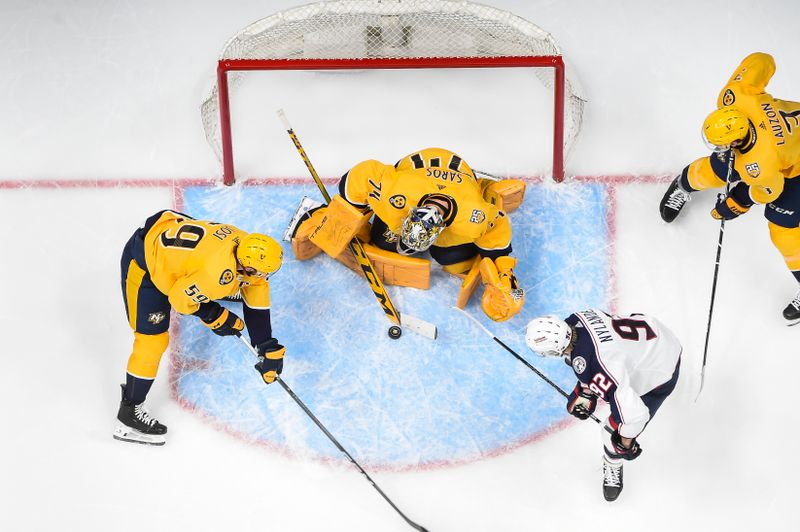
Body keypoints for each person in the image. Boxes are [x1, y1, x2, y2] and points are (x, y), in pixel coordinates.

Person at [286, 147, 527, 322]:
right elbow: (360, 176)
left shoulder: (474, 217)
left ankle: (488, 188)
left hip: (462, 182)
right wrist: (337, 222)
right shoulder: (395, 191)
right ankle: (315, 214)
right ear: (410, 213)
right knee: (385, 242)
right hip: (416, 172)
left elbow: (499, 237)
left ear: (442, 229)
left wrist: (505, 280)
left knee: (454, 260)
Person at [114, 210, 285, 445]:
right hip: (145, 264)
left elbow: (256, 289)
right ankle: (128, 413)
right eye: (262, 272)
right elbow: (178, 299)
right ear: (244, 267)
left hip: (172, 234)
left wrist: (266, 344)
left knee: (212, 284)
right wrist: (214, 314)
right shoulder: (215, 274)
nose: (264, 277)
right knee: (152, 341)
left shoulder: (246, 244)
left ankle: (207, 288)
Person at [658, 52, 800, 324]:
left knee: (782, 228)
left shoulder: (762, 164)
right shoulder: (735, 95)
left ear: (736, 141)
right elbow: (762, 60)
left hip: (794, 168)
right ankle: (683, 185)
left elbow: (768, 190)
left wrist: (737, 202)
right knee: (716, 168)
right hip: (781, 144)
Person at [525, 309, 682, 501]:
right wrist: (586, 389)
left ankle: (612, 462)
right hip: (657, 335)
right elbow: (597, 352)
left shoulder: (595, 365)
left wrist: (625, 445)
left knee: (610, 433)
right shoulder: (577, 318)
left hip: (662, 371)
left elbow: (634, 415)